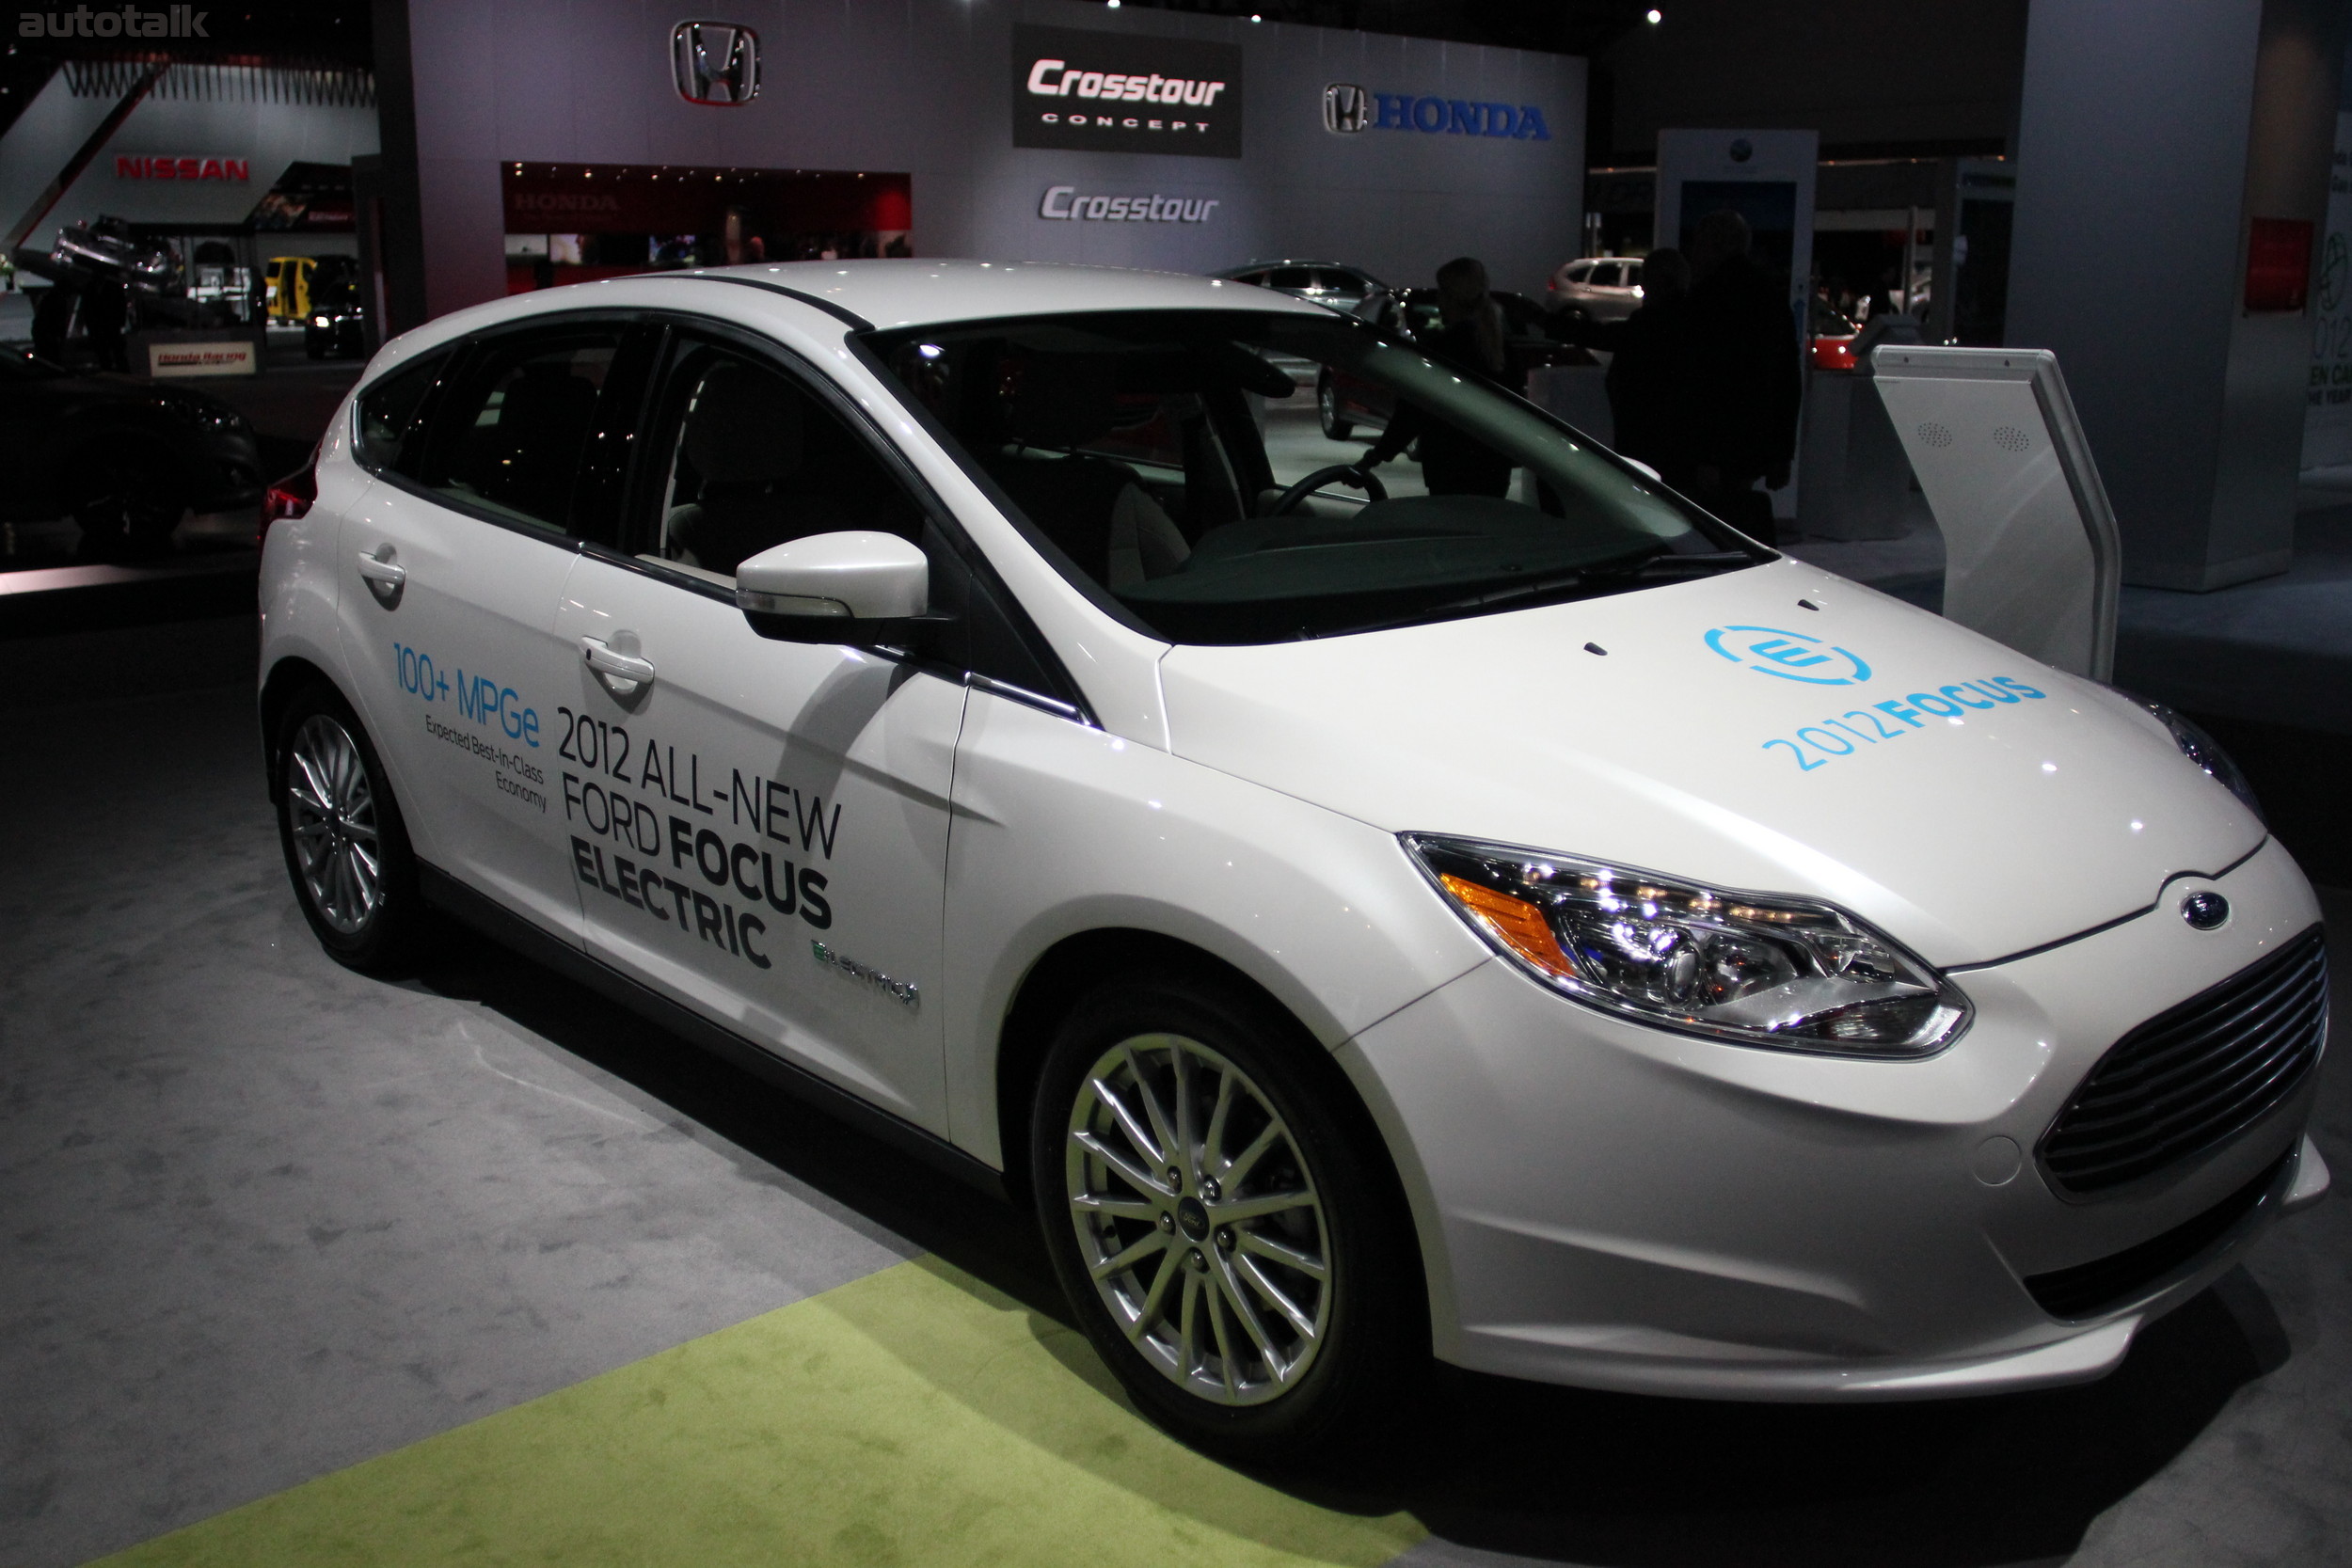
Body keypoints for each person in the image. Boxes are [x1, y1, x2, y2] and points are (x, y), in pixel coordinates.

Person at [1679, 207, 1800, 543]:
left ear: (1715, 245)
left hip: (1715, 445)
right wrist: (1782, 452)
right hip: (1754, 438)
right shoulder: (1769, 295)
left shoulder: (1708, 298)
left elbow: (1706, 380)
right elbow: (1787, 377)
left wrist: (1706, 453)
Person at [1360, 255, 1515, 498]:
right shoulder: (1499, 347)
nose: (1438, 299)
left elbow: (1415, 409)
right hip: (1493, 469)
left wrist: (1377, 455)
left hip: (1451, 469)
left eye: (1442, 291)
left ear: (1454, 296)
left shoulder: (1447, 348)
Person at [1549, 246, 1694, 479]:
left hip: (1648, 434)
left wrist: (1546, 322)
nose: (1642, 287)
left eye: (1645, 278)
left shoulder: (1656, 321)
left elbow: (1604, 336)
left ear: (1662, 281)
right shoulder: (1686, 319)